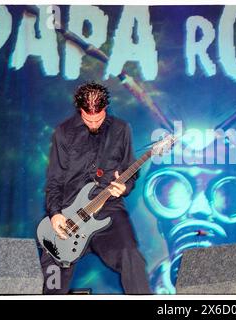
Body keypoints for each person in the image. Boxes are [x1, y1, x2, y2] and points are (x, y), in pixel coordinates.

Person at [40, 82, 151, 294]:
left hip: (108, 209)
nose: (93, 123)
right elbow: (54, 180)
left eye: (98, 119)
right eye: (87, 118)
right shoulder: (63, 132)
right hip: (69, 212)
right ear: (80, 110)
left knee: (132, 256)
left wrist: (124, 186)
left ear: (105, 108)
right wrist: (55, 214)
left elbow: (131, 169)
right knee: (52, 268)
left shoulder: (121, 129)